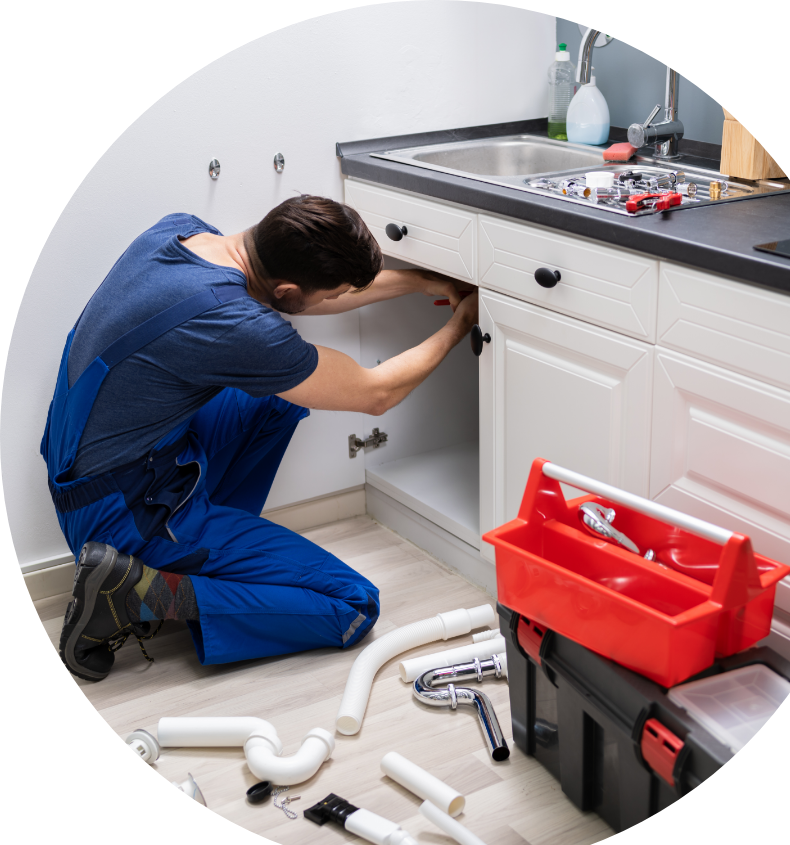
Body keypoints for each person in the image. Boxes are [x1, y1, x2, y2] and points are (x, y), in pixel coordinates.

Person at [44, 195, 478, 682]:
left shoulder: (181, 234)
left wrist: (422, 281)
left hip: (90, 465)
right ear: (287, 289)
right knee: (353, 605)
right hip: (123, 515)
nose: (327, 304)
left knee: (277, 397)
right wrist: (463, 320)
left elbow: (302, 300)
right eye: (325, 297)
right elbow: (378, 393)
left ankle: (204, 556)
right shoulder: (234, 325)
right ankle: (139, 593)